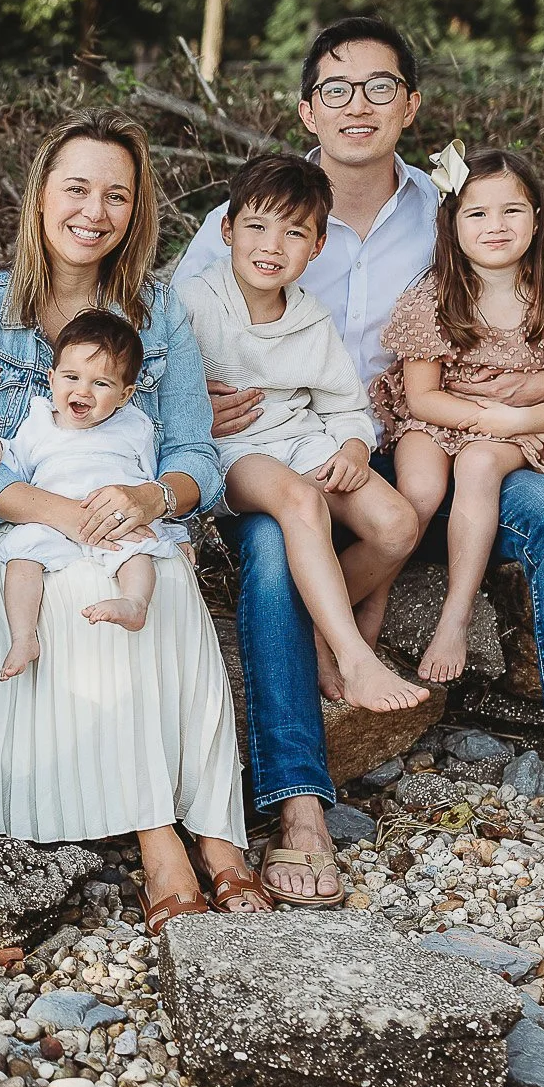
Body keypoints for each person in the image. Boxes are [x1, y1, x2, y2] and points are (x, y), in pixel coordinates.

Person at [167, 16, 544, 905]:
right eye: (336, 88)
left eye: (381, 86)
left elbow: (519, 299)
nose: (358, 105)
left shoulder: (448, 208)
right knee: (271, 548)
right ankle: (302, 807)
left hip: (442, 443)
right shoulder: (249, 216)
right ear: (307, 108)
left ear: (411, 104)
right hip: (286, 453)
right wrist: (198, 401)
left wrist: (524, 410)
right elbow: (170, 331)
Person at [0, 110, 259, 928]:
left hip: (122, 520)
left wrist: (151, 498)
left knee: (168, 577)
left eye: (116, 195)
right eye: (77, 188)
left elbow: (196, 458)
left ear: (135, 211)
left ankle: (221, 835)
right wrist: (73, 518)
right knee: (73, 590)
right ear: (40, 198)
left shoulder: (161, 313)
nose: (93, 211)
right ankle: (159, 838)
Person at [177, 154, 427, 723]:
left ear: (316, 248)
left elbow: (344, 404)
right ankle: (354, 655)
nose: (272, 246)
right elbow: (151, 387)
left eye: (294, 233)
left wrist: (354, 448)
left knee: (397, 525)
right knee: (299, 498)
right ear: (227, 230)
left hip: (302, 439)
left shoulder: (311, 320)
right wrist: (195, 413)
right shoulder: (192, 303)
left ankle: (321, 622)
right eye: (257, 226)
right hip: (234, 450)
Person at [375, 146, 544, 684]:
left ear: (537, 217)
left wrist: (508, 421)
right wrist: (483, 410)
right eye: (476, 213)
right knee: (420, 493)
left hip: (513, 429)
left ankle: (454, 617)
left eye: (512, 211)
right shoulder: (433, 297)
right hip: (436, 419)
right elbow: (423, 398)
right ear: (452, 223)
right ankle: (373, 594)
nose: (495, 226)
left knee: (479, 465)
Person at [0, 310, 191, 676]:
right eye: (71, 377)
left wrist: (175, 532)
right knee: (22, 556)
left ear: (124, 394)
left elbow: (149, 483)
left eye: (101, 383)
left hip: (112, 519)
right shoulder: (38, 422)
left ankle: (135, 602)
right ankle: (23, 636)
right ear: (51, 379)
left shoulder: (135, 427)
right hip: (53, 521)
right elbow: (16, 462)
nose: (82, 391)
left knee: (136, 552)